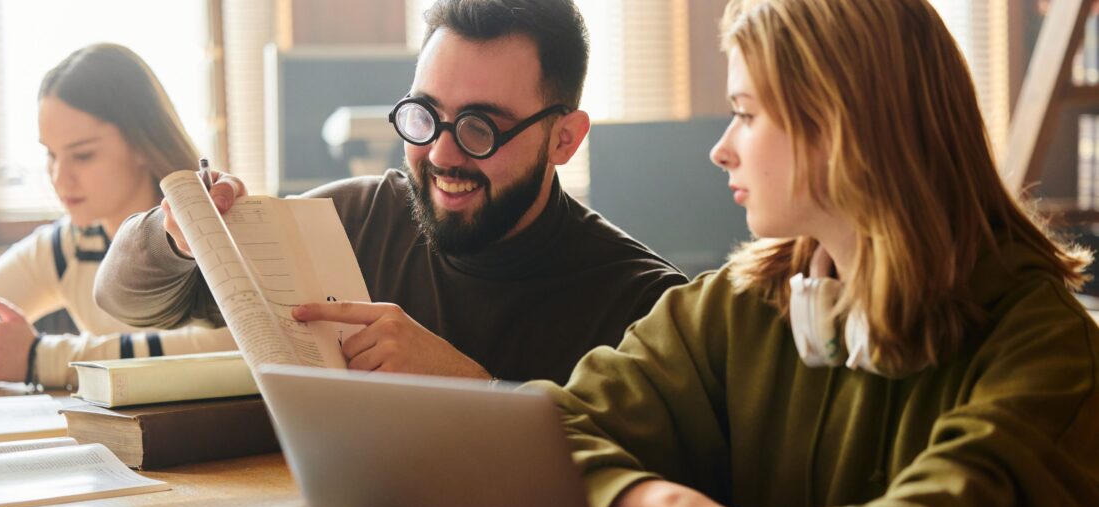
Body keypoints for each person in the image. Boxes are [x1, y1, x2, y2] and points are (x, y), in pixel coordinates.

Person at [531, 0, 1099, 507]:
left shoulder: (1051, 346)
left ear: (843, 127)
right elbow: (545, 435)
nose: (721, 148)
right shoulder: (735, 307)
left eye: (747, 114)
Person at [95, 0, 687, 383]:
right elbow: (125, 298)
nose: (441, 155)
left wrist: (473, 390)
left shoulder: (643, 305)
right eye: (424, 115)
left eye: (482, 127)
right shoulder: (351, 222)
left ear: (564, 139)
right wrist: (176, 233)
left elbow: (659, 481)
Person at [0, 43, 235, 390]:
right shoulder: (67, 246)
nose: (59, 178)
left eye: (83, 155)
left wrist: (40, 358)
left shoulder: (207, 231)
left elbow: (226, 347)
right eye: (51, 155)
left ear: (141, 143)